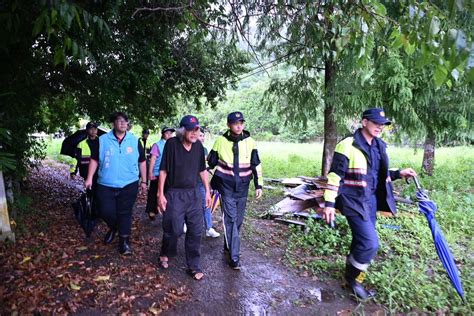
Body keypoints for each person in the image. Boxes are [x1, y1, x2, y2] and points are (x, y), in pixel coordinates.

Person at [322, 108, 417, 300]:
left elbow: (377, 175)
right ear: (364, 122)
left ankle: (350, 274)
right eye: (376, 123)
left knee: (361, 241)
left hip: (371, 202)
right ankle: (354, 281)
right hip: (352, 201)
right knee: (370, 244)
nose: (380, 127)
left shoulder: (379, 146)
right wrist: (329, 204)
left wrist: (399, 173)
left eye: (382, 124)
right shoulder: (347, 145)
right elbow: (334, 176)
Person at [85, 112, 147, 256]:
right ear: (113, 123)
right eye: (119, 121)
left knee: (125, 212)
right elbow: (94, 160)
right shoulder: (103, 140)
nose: (123, 123)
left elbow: (142, 161)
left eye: (125, 121)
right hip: (105, 184)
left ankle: (124, 242)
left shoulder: (134, 140)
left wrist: (144, 181)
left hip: (129, 183)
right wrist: (89, 178)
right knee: (105, 211)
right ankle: (114, 227)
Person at [157, 115, 210, 281]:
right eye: (190, 130)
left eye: (197, 130)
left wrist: (207, 191)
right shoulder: (172, 145)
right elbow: (163, 170)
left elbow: (202, 170)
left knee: (195, 230)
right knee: (174, 228)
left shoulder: (199, 148)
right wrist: (160, 194)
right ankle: (166, 251)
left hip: (194, 193)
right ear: (182, 130)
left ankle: (193, 266)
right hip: (175, 193)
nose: (194, 133)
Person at [207, 111, 263, 270]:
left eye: (241, 123)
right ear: (229, 125)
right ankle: (234, 257)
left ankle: (228, 244)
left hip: (243, 187)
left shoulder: (250, 142)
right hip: (226, 186)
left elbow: (256, 164)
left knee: (238, 221)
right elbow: (210, 163)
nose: (239, 125)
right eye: (235, 123)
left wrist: (258, 185)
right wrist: (205, 182)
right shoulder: (220, 141)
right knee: (230, 219)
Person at [145, 127, 175, 221]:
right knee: (154, 192)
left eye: (171, 133)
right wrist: (150, 173)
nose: (169, 135)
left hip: (169, 173)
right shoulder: (157, 145)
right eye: (167, 133)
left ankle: (165, 209)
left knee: (167, 193)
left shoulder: (173, 145)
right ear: (163, 134)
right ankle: (152, 210)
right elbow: (153, 159)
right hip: (157, 172)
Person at [198, 128, 220, 238]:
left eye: (203, 136)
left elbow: (204, 167)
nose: (202, 138)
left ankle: (208, 228)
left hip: (201, 182)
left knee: (206, 203)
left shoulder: (205, 150)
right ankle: (184, 223)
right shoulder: (187, 148)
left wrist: (208, 184)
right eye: (200, 135)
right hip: (190, 182)